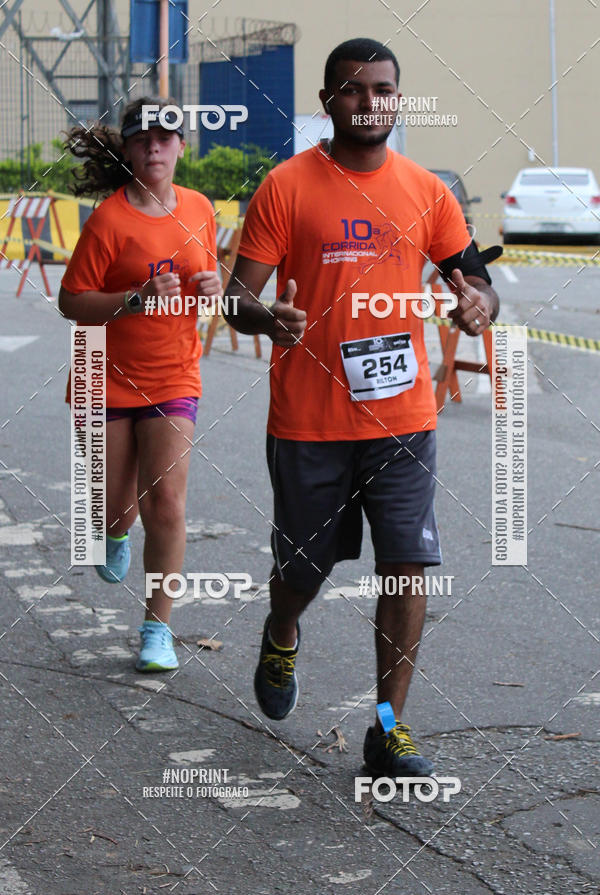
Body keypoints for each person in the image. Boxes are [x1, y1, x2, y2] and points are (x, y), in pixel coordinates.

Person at [225, 38, 501, 777]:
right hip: (310, 420)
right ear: (328, 103)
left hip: (404, 416)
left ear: (397, 99)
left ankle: (388, 728)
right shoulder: (286, 187)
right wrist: (266, 318)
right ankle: (282, 630)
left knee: (408, 565)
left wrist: (480, 305)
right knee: (305, 567)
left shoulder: (425, 190)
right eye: (352, 90)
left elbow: (476, 281)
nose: (369, 101)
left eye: (383, 89)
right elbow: (237, 299)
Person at [59, 97, 220, 672]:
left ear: (180, 147)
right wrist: (134, 299)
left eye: (165, 137)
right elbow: (70, 301)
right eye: (142, 138)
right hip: (104, 379)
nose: (154, 145)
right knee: (113, 507)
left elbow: (213, 280)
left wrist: (211, 286)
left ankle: (157, 629)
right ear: (128, 150)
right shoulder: (109, 221)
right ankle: (114, 531)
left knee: (168, 503)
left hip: (174, 376)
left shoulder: (200, 208)